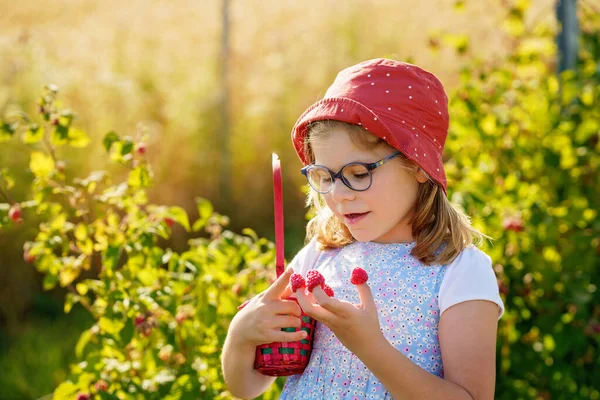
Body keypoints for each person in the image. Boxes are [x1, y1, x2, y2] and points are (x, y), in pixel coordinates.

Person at [221, 58, 504, 400]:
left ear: (417, 165)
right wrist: (240, 337)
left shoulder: (459, 272)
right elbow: (248, 387)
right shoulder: (320, 257)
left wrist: (370, 347)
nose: (339, 195)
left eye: (358, 174)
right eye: (324, 177)